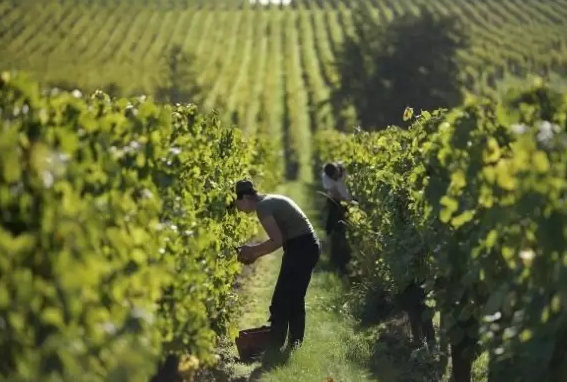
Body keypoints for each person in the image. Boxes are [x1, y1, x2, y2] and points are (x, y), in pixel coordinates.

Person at [233, 179, 321, 361]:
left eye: (238, 203)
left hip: (302, 248)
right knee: (294, 298)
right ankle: (292, 346)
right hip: (303, 246)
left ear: (246, 197)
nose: (239, 209)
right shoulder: (268, 201)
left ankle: (274, 349)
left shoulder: (263, 207)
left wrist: (252, 251)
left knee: (282, 300)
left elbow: (276, 241)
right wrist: (254, 254)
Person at [321, 162, 353, 274]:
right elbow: (336, 194)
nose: (335, 177)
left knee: (344, 229)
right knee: (335, 228)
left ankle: (344, 259)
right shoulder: (326, 177)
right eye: (333, 177)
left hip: (347, 201)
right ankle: (336, 259)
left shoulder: (344, 170)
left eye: (336, 174)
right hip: (336, 202)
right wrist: (349, 202)